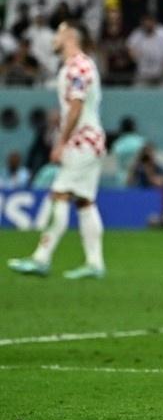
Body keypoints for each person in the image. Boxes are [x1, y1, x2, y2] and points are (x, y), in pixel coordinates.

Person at [8, 21, 107, 280]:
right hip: (90, 140)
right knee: (85, 202)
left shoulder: (78, 66)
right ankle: (95, 263)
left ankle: (42, 258)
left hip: (81, 141)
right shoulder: (79, 65)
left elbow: (76, 105)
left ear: (70, 36)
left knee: (60, 194)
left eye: (59, 32)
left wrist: (61, 141)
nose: (54, 37)